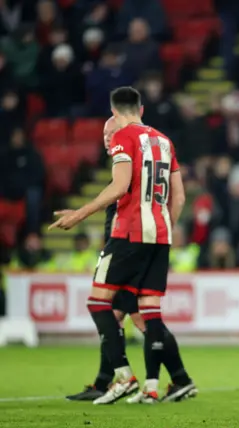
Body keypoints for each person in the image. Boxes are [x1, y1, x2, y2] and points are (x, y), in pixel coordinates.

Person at [49, 87, 196, 405]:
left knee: (99, 304)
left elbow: (119, 186)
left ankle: (124, 376)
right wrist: (163, 225)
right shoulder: (164, 141)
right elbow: (180, 196)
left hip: (129, 234)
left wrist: (79, 214)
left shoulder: (124, 137)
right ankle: (165, 381)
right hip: (159, 235)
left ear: (115, 113)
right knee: (146, 313)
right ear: (141, 109)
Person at [65, 117, 146, 402]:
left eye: (111, 132)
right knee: (128, 316)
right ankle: (164, 380)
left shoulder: (127, 168)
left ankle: (137, 380)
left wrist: (79, 214)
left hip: (124, 249)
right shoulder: (126, 166)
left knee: (111, 310)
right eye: (103, 133)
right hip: (126, 247)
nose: (106, 137)